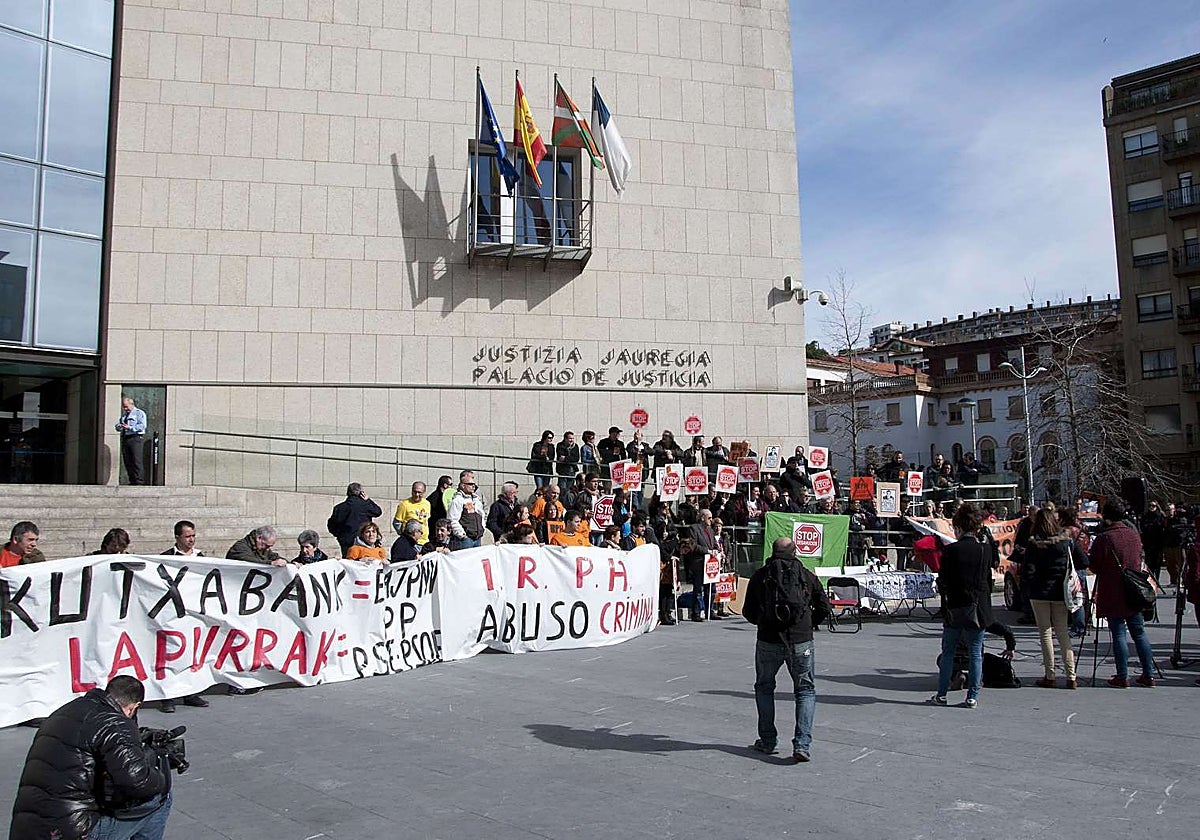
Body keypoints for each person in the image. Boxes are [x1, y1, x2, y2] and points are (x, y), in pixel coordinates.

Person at [10, 675, 172, 840]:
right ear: (133, 707)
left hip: (26, 827)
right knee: (160, 798)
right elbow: (137, 782)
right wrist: (160, 776)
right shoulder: (116, 723)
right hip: (71, 831)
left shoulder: (64, 711)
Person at [742, 537, 831, 763]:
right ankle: (802, 744)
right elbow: (823, 606)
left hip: (768, 639)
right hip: (801, 640)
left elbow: (747, 611)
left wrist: (764, 622)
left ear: (773, 552)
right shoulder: (806, 575)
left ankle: (768, 740)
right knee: (805, 691)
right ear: (795, 552)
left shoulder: (761, 576)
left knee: (764, 687)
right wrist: (808, 625)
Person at [931, 503, 996, 708]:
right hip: (978, 606)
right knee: (976, 652)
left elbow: (943, 580)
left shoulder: (951, 550)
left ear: (958, 527)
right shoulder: (985, 549)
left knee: (948, 651)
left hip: (956, 605)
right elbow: (988, 579)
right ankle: (972, 696)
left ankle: (942, 694)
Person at [1089, 499, 1157, 687]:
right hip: (1134, 589)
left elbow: (1094, 565)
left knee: (1118, 633)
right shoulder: (1133, 534)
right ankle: (1149, 674)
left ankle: (1122, 675)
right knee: (1139, 633)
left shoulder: (1105, 538)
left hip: (1113, 590)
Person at [1021, 507, 1085, 689]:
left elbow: (1028, 570)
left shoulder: (1034, 544)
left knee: (1045, 633)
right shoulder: (1066, 541)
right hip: (1061, 590)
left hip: (1039, 592)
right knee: (1062, 631)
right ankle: (1071, 675)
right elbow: (1083, 561)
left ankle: (1050, 674)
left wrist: (1030, 585)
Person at [159, 520, 210, 713]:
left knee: (192, 652)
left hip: (194, 614)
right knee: (170, 654)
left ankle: (190, 692)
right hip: (172, 614)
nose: (191, 540)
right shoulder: (165, 558)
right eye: (187, 536)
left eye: (193, 536)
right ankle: (168, 696)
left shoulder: (201, 558)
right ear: (177, 537)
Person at [327, 482, 383, 557]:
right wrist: (368, 500)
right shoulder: (365, 505)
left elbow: (332, 525)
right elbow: (378, 512)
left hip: (346, 540)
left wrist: (339, 536)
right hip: (364, 539)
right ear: (361, 493)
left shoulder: (339, 508)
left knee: (348, 561)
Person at [446, 470, 486, 550]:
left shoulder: (476, 500)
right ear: (463, 486)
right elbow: (452, 520)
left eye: (474, 484)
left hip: (477, 538)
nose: (473, 486)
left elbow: (482, 515)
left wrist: (483, 528)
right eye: (470, 484)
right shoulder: (457, 500)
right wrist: (462, 535)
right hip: (465, 541)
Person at [114, 395, 148, 485]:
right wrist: (120, 426)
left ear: (131, 404)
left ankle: (139, 480)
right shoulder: (124, 416)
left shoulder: (139, 413)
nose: (125, 408)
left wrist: (130, 427)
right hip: (126, 438)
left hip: (135, 438)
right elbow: (118, 427)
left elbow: (142, 426)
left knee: (136, 460)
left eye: (126, 406)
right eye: (124, 407)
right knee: (128, 461)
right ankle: (132, 480)